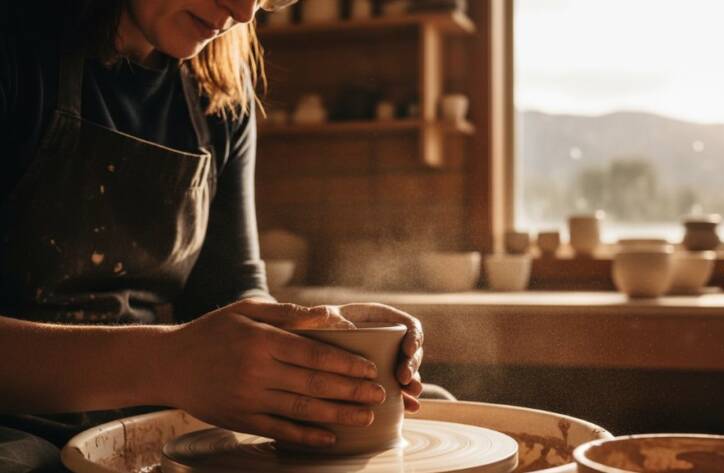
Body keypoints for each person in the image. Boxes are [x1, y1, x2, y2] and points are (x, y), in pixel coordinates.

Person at [0, 0, 424, 471]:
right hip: (17, 425)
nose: (243, 12)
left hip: (148, 411)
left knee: (410, 412)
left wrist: (317, 339)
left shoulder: (218, 85)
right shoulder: (18, 41)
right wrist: (166, 363)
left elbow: (227, 293)